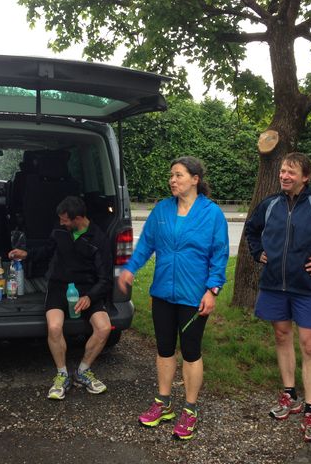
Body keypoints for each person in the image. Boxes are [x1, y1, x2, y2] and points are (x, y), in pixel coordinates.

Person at [244, 152, 311, 443]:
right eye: (282, 171)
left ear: (305, 177)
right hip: (274, 285)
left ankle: (310, 410)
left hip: (307, 287)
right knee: (282, 336)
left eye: (291, 172)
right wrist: (257, 252)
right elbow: (251, 230)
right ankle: (290, 394)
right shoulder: (270, 204)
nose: (284, 176)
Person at [117, 156, 229, 441]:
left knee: (191, 351)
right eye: (171, 175)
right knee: (164, 349)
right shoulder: (162, 210)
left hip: (194, 295)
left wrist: (212, 289)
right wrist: (130, 269)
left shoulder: (212, 213)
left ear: (195, 179)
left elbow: (219, 254)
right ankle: (164, 402)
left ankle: (190, 409)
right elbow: (146, 245)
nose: (172, 180)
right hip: (163, 293)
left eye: (178, 175)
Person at [8, 195, 113, 400]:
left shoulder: (98, 239)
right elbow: (47, 250)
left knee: (104, 328)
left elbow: (106, 279)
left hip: (86, 289)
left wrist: (90, 297)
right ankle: (62, 375)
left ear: (78, 218)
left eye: (65, 220)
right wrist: (26, 254)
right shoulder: (60, 231)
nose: (61, 223)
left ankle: (83, 371)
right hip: (58, 285)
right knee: (55, 327)